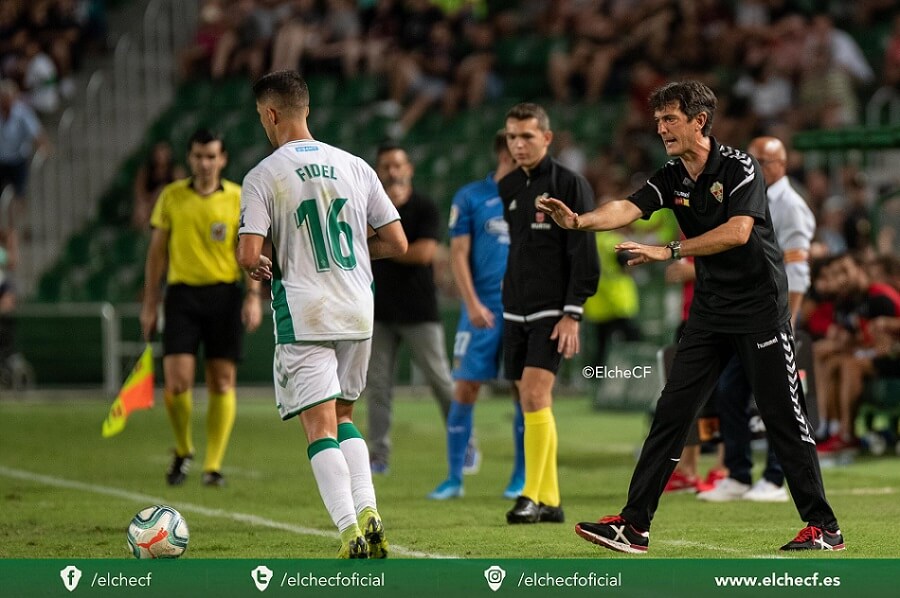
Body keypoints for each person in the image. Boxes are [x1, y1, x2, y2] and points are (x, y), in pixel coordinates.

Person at [539, 81, 843, 552]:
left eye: (670, 120)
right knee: (672, 412)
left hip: (760, 310)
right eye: (658, 121)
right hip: (711, 310)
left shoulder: (740, 167)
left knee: (784, 417)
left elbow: (739, 231)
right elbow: (629, 206)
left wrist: (670, 250)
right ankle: (633, 525)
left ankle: (824, 527)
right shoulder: (671, 174)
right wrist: (579, 221)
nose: (661, 129)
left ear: (699, 121)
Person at [236, 70, 407, 559]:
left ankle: (349, 531)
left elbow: (251, 254)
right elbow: (397, 241)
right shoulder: (355, 166)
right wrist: (352, 249)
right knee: (347, 413)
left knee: (319, 426)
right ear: (306, 109)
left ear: (270, 114)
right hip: (358, 306)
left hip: (306, 309)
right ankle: (370, 510)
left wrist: (254, 264)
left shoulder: (264, 175)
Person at [140, 129, 263, 489]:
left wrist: (253, 295)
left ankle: (213, 466)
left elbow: (251, 250)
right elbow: (156, 253)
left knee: (222, 382)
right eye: (198, 156)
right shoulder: (171, 196)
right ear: (190, 159)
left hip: (224, 296)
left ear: (222, 159)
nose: (205, 163)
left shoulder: (239, 197)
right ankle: (183, 448)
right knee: (177, 383)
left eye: (211, 156)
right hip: (181, 297)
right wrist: (150, 302)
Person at [697, 136, 816, 503]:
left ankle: (776, 479)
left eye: (762, 161)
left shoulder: (791, 206)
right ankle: (738, 472)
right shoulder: (750, 193)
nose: (753, 166)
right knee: (731, 391)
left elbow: (797, 267)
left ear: (781, 165)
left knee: (780, 400)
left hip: (775, 315)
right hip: (747, 313)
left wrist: (790, 318)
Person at [501, 102, 600, 524]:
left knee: (535, 395)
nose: (518, 144)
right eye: (511, 137)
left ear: (547, 137)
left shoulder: (570, 184)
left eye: (526, 136)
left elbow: (584, 252)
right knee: (528, 400)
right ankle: (552, 499)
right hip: (514, 311)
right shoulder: (508, 187)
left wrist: (572, 313)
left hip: (551, 312)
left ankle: (531, 496)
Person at [428, 130, 524, 501]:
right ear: (503, 153)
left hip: (521, 310)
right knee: (465, 387)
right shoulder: (471, 197)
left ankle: (520, 477)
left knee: (522, 390)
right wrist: (471, 303)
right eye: (516, 151)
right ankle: (454, 477)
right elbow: (457, 253)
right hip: (481, 308)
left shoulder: (533, 199)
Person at [366, 143, 472, 475]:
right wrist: (387, 241)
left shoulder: (424, 207)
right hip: (378, 310)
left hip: (419, 309)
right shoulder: (369, 205)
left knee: (441, 381)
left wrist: (379, 245)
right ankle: (378, 455)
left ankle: (465, 444)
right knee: (378, 387)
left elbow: (424, 254)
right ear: (378, 171)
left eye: (398, 165)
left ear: (409, 168)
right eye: (386, 166)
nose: (392, 171)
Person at [0, 79, 49, 229]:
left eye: (7, 97)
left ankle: (19, 225)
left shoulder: (22, 112)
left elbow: (35, 132)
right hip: (2, 159)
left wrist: (43, 146)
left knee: (19, 192)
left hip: (18, 159)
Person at [132, 140, 186, 230]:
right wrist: (150, 201)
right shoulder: (146, 172)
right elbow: (139, 193)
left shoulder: (176, 172)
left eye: (164, 152)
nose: (161, 155)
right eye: (159, 152)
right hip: (150, 203)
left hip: (170, 203)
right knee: (140, 212)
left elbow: (181, 192)